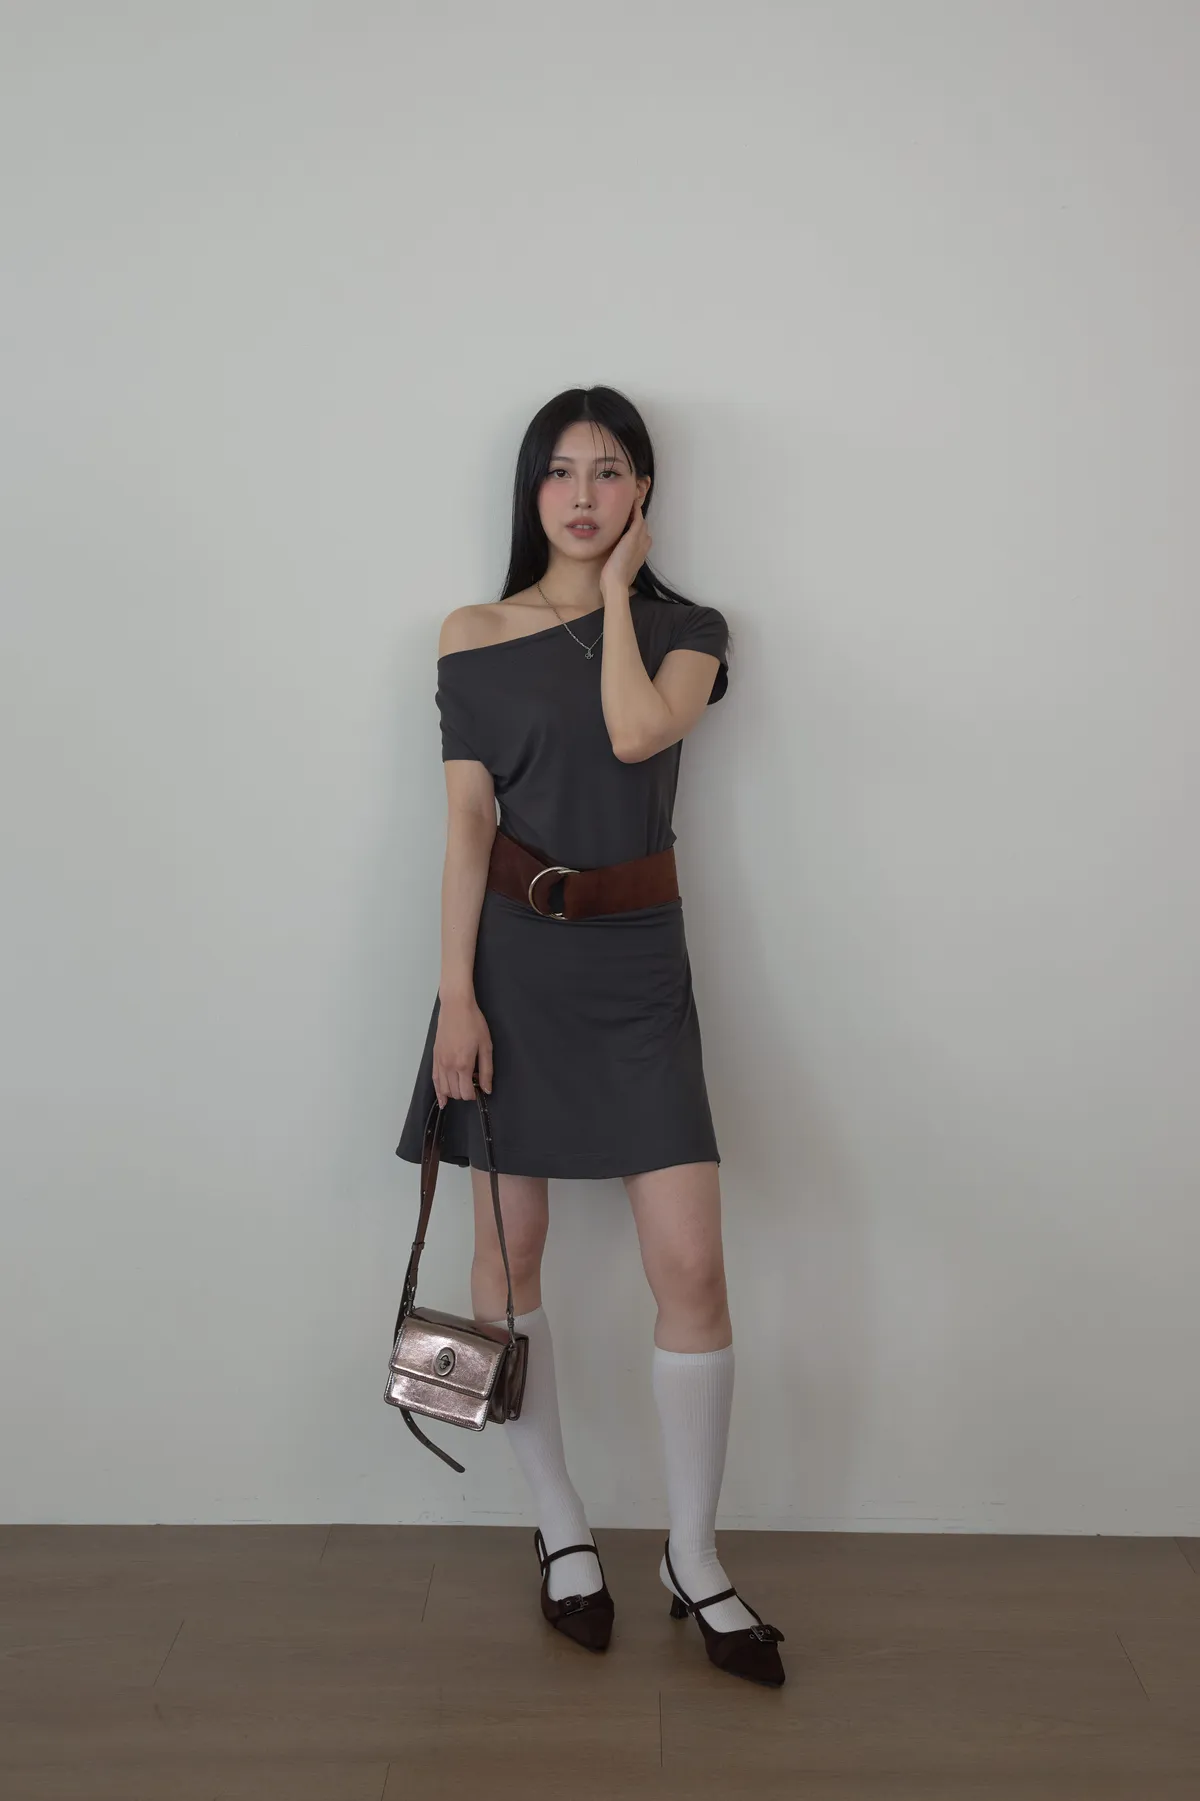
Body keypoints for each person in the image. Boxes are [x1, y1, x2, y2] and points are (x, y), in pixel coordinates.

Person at [395, 386, 785, 1687]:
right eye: (559, 471)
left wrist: (617, 594)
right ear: (532, 489)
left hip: (638, 968)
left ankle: (693, 1553)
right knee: (508, 1261)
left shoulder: (691, 633)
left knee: (692, 1267)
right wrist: (456, 994)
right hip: (509, 967)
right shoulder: (471, 634)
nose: (581, 494)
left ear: (643, 494)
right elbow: (467, 825)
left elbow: (632, 733)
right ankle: (560, 1527)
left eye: (609, 471)